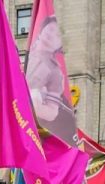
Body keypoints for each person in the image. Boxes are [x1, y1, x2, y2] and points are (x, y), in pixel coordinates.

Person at [25, 16, 77, 145]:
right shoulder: (27, 55)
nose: (51, 34)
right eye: (51, 28)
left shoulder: (55, 72)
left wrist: (36, 106)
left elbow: (52, 113)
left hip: (31, 129)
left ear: (60, 44)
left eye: (57, 35)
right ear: (43, 28)